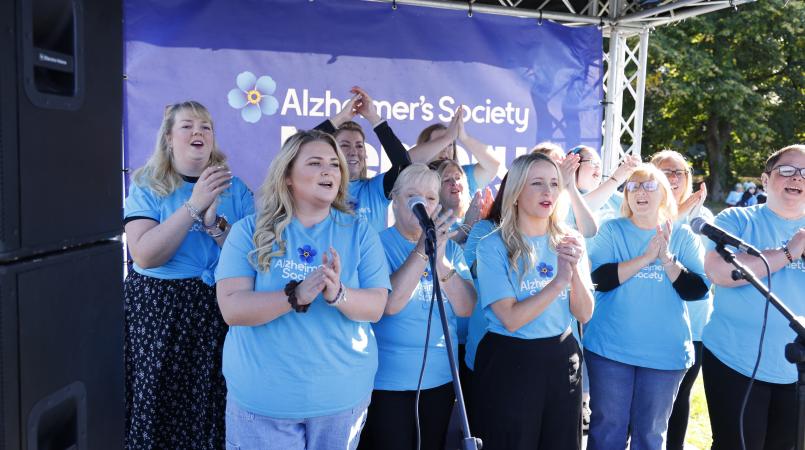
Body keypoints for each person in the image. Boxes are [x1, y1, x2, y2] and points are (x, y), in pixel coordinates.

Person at [215, 130, 391, 449]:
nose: (329, 171)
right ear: (288, 177)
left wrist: (339, 294)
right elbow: (232, 308)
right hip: (265, 404)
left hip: (340, 401)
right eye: (315, 163)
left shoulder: (360, 232)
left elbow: (377, 305)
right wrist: (293, 296)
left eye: (334, 164)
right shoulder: (248, 232)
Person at [123, 101, 255, 449]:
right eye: (187, 126)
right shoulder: (148, 184)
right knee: (160, 405)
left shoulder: (236, 189)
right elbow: (145, 254)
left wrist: (214, 226)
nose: (198, 132)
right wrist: (194, 205)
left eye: (206, 126)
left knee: (212, 408)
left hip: (217, 309)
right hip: (159, 311)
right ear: (168, 138)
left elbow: (252, 258)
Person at [472, 152, 595, 450]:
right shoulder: (492, 246)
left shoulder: (570, 239)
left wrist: (574, 274)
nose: (548, 192)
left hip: (562, 358)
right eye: (537, 183)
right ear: (515, 192)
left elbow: (584, 313)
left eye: (554, 183)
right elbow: (511, 319)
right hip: (510, 362)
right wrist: (558, 283)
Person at [585, 164, 710, 450]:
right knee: (607, 431)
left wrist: (666, 259)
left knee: (651, 436)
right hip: (610, 350)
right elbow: (599, 280)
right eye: (633, 186)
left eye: (649, 186)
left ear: (664, 194)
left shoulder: (682, 235)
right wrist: (645, 258)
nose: (640, 192)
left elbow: (698, 290)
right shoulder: (612, 230)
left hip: (664, 355)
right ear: (626, 195)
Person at [358, 164, 476, 450]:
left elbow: (466, 307)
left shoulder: (451, 248)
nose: (421, 203)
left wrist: (442, 262)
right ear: (395, 200)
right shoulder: (375, 244)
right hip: (388, 382)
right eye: (412, 196)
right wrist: (422, 251)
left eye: (430, 198)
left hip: (440, 380)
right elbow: (390, 305)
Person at [701, 144, 805, 450]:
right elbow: (720, 272)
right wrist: (789, 252)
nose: (797, 178)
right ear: (764, 179)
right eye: (787, 170)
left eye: (804, 173)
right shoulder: (736, 220)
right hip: (735, 361)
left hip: (798, 371)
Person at [650, 150, 714, 450]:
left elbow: (705, 272)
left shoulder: (702, 218)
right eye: (666, 171)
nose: (674, 178)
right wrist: (673, 213)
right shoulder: (637, 209)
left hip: (693, 324)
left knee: (679, 397)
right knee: (642, 403)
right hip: (647, 320)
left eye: (680, 172)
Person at [315, 86, 411, 231]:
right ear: (332, 153)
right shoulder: (318, 186)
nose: (354, 152)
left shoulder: (376, 188)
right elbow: (297, 150)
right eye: (345, 145)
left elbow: (404, 167)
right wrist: (341, 118)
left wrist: (374, 118)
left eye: (359, 146)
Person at [411, 107, 501, 195]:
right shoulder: (412, 178)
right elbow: (406, 160)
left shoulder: (462, 177)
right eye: (440, 143)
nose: (445, 149)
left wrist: (464, 137)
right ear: (424, 146)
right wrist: (448, 137)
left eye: (450, 144)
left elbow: (493, 166)